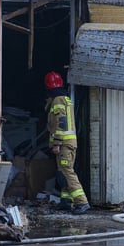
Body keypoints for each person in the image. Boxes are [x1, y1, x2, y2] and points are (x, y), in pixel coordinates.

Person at [43, 71, 90, 215]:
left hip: (63, 144)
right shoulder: (65, 98)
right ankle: (66, 201)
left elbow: (61, 123)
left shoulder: (57, 100)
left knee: (67, 172)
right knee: (62, 172)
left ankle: (82, 202)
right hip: (68, 143)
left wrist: (56, 143)